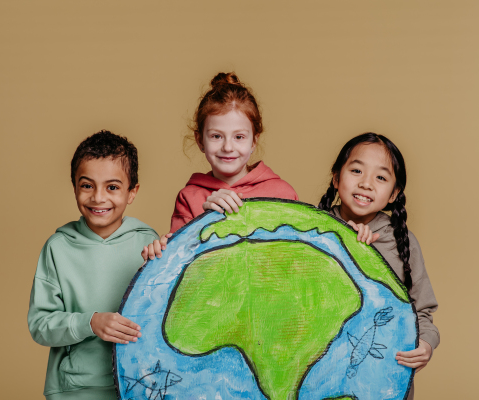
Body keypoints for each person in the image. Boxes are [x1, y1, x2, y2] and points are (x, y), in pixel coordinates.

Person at [27, 130, 159, 400]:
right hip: (73, 389)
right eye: (87, 185)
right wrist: (90, 323)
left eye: (112, 187)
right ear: (74, 186)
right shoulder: (57, 248)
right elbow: (40, 324)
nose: (98, 198)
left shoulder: (149, 243)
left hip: (137, 385)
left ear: (132, 192)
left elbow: (162, 315)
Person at [318, 132, 439, 399]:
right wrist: (341, 245)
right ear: (336, 177)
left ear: (394, 193)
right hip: (322, 374)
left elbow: (423, 312)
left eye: (381, 177)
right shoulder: (315, 232)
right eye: (357, 170)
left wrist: (426, 345)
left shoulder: (402, 241)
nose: (366, 183)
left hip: (384, 381)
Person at [144, 72, 298, 259]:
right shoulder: (189, 198)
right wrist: (205, 220)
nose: (227, 147)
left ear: (253, 141)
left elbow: (296, 259)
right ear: (200, 140)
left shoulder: (282, 194)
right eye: (216, 136)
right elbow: (180, 266)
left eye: (239, 137)